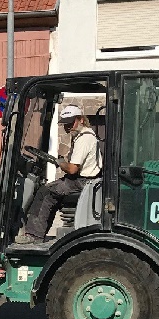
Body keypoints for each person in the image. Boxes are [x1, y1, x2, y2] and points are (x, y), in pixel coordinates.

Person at [17, 104, 102, 244]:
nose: (68, 127)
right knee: (51, 191)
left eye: (70, 123)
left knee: (45, 193)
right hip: (83, 180)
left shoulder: (84, 138)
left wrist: (60, 163)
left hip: (81, 181)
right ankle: (39, 233)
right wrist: (59, 161)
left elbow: (73, 169)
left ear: (80, 119)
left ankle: (34, 236)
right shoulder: (85, 135)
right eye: (65, 124)